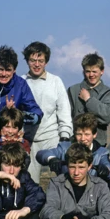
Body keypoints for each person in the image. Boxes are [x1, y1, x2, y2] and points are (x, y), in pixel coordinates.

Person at [21, 42, 73, 184]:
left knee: (63, 180)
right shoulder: (20, 82)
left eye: (41, 60)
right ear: (27, 61)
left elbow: (64, 111)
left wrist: (65, 137)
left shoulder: (55, 82)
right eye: (33, 60)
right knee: (30, 183)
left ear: (46, 62)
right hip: (29, 141)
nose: (37, 64)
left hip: (52, 139)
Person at [36, 112, 110, 180]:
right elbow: (41, 154)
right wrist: (51, 159)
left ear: (94, 135)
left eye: (87, 134)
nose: (83, 138)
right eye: (79, 134)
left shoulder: (101, 153)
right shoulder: (65, 148)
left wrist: (107, 170)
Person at [67, 52, 110, 146]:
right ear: (83, 72)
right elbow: (66, 117)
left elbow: (106, 117)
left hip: (98, 144)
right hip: (75, 144)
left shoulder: (108, 93)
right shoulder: (72, 91)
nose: (91, 75)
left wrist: (89, 100)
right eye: (88, 71)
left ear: (102, 71)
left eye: (94, 71)